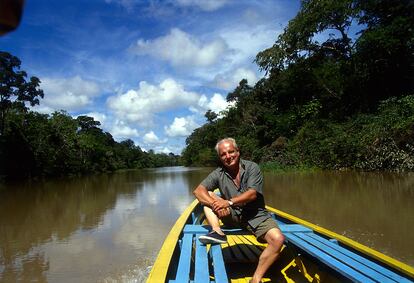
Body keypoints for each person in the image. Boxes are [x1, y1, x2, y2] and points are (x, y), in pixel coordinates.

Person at [193, 137, 285, 283]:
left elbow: (252, 194)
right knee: (207, 197)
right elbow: (198, 191)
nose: (228, 156)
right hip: (232, 216)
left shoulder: (252, 167)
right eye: (223, 154)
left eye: (231, 152)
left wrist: (228, 202)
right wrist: (215, 204)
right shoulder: (218, 173)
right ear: (220, 157)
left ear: (238, 151)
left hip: (256, 215)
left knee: (278, 239)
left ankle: (256, 278)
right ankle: (217, 231)